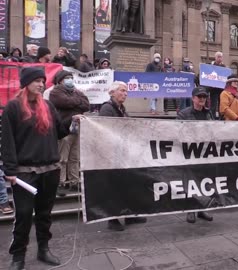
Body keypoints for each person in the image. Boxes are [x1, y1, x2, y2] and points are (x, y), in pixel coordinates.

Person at [1, 67, 83, 270]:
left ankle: (43, 249)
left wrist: (72, 123)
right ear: (26, 83)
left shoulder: (47, 106)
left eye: (42, 81)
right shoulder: (12, 107)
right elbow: (7, 141)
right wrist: (9, 170)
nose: (41, 84)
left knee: (45, 214)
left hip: (50, 170)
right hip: (24, 172)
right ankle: (18, 256)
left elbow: (59, 132)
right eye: (37, 80)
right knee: (23, 215)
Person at [99, 81, 148, 231]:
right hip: (112, 154)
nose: (125, 94)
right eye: (122, 91)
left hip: (123, 153)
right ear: (112, 92)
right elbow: (107, 131)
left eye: (126, 92)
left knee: (127, 185)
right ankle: (112, 219)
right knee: (114, 188)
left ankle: (129, 215)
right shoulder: (107, 108)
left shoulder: (121, 109)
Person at [176, 87, 215, 223]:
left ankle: (201, 209)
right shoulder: (183, 114)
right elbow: (178, 132)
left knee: (203, 181)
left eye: (204, 97)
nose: (202, 99)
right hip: (190, 153)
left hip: (205, 153)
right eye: (199, 97)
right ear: (193, 98)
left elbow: (214, 130)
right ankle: (190, 210)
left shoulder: (209, 113)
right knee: (190, 182)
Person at [49, 71, 90, 195]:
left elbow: (87, 105)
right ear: (60, 80)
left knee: (74, 157)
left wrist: (74, 102)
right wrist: (78, 103)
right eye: (67, 78)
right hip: (64, 129)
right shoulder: (55, 92)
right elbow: (63, 102)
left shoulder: (76, 91)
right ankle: (60, 182)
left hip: (77, 129)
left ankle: (74, 181)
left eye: (71, 78)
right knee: (62, 158)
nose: (70, 80)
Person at [208, 51, 226, 119]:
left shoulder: (224, 66)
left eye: (221, 57)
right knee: (213, 104)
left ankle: (221, 117)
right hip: (213, 89)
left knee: (221, 104)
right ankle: (212, 117)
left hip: (221, 89)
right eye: (218, 57)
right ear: (215, 58)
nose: (220, 58)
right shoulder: (211, 65)